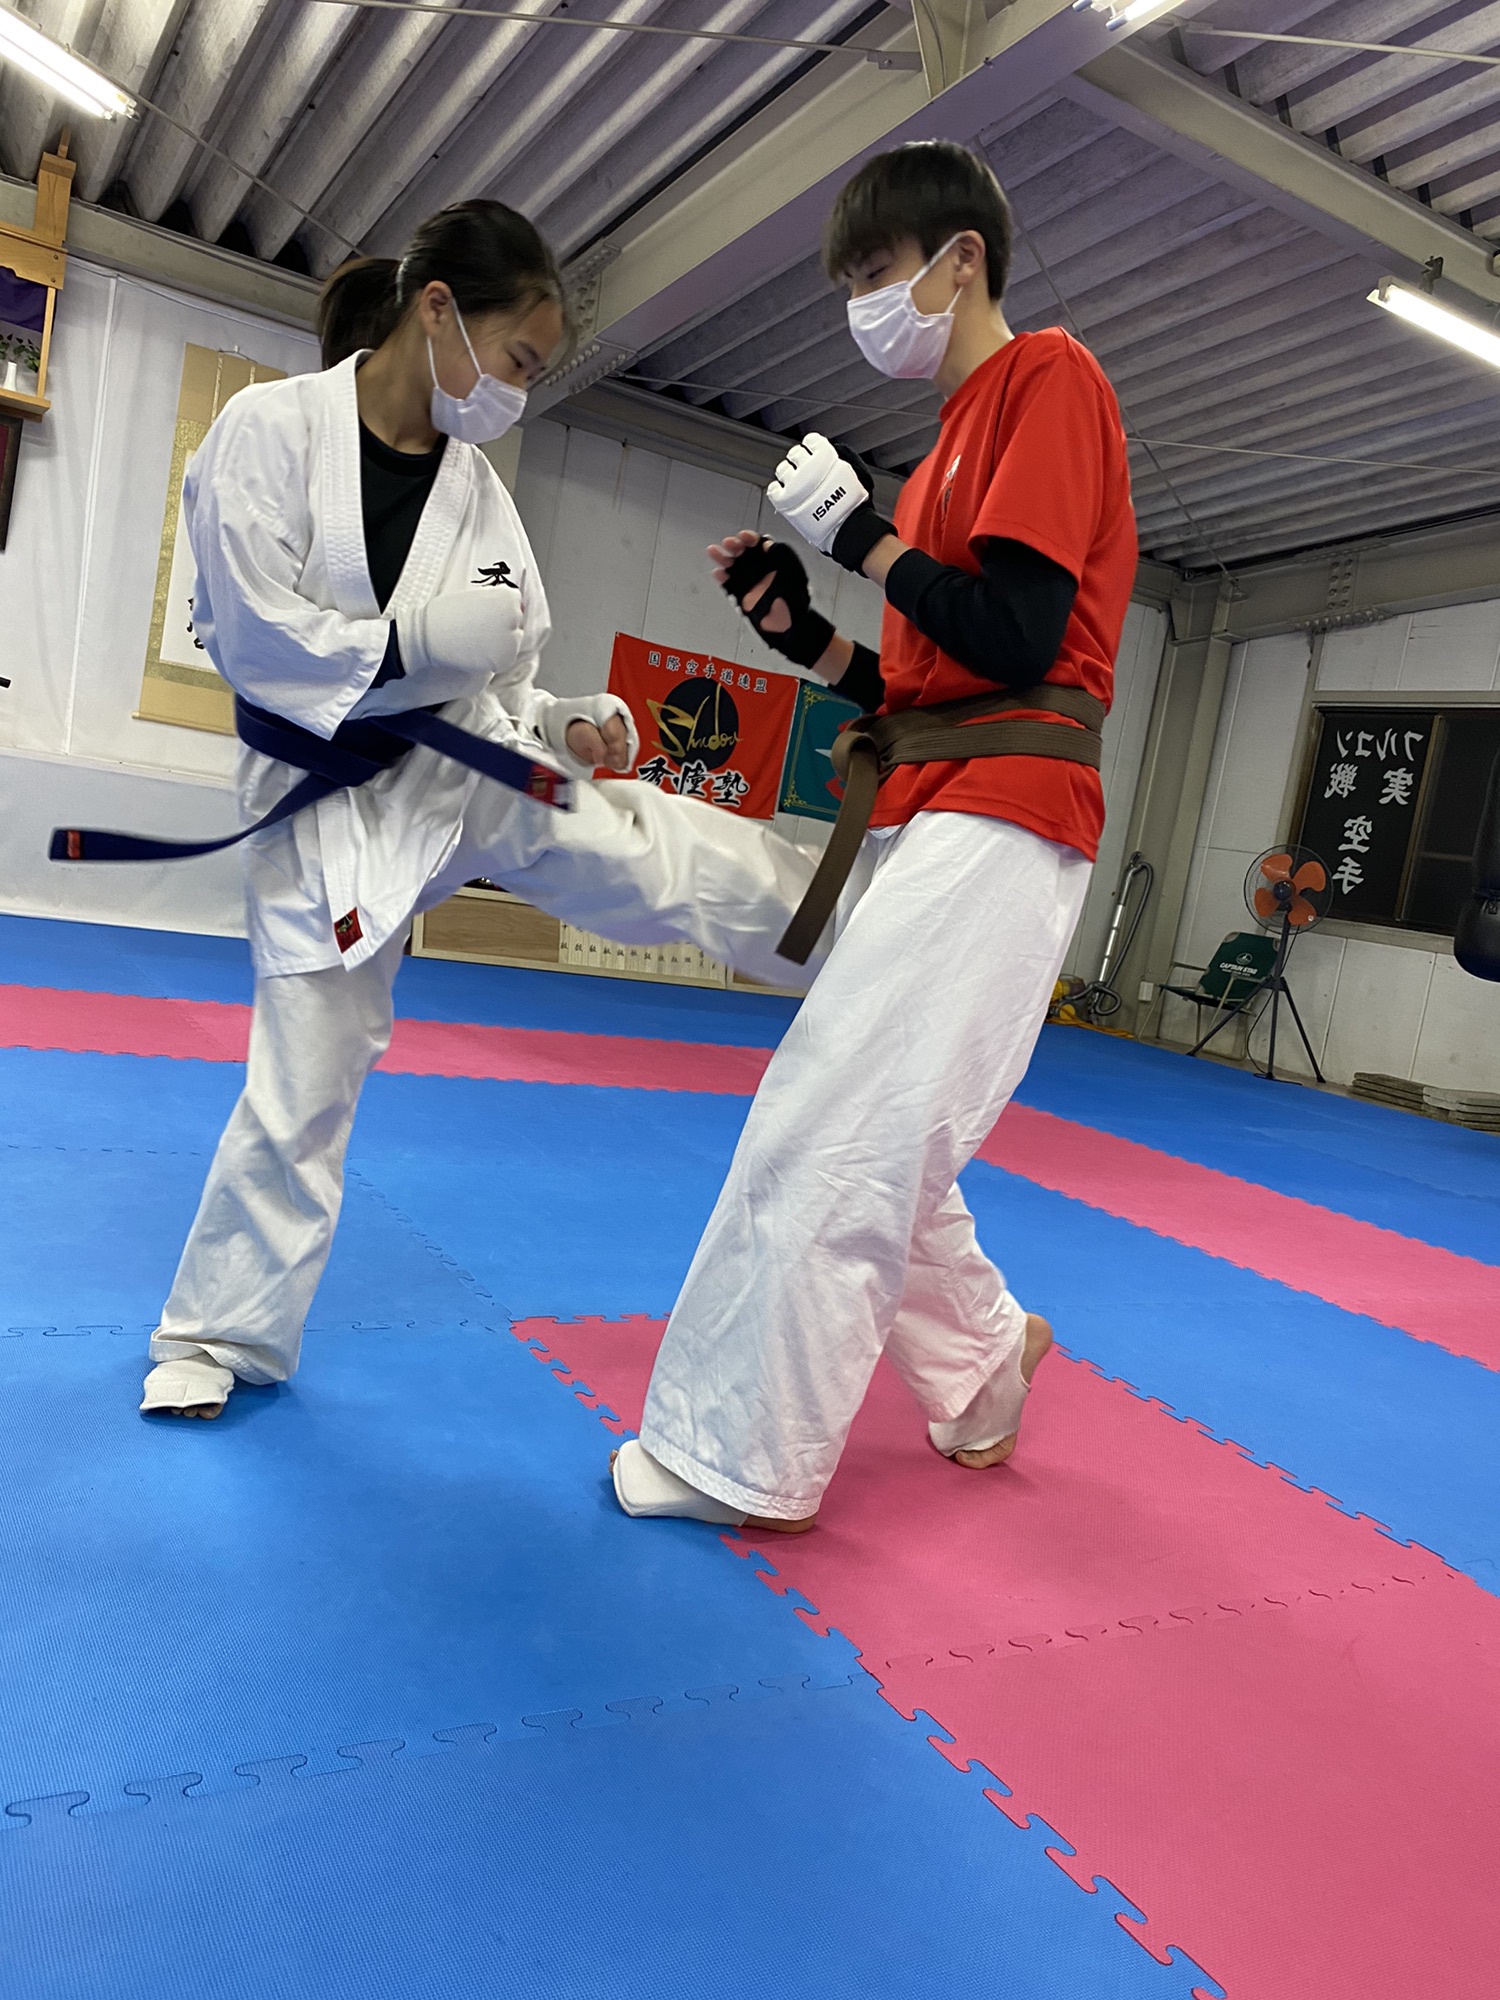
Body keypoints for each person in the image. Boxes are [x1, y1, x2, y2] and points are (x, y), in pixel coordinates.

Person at [139, 199, 821, 1420]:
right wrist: (409, 643)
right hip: (321, 808)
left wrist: (565, 723)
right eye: (518, 359)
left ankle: (836, 923)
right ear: (438, 307)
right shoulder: (267, 433)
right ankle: (215, 1335)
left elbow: (502, 681)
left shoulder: (481, 497)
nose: (518, 390)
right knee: (305, 1084)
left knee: (642, 840)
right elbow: (251, 639)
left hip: (467, 765)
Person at [612, 141, 1137, 1531]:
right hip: (927, 797)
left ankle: (737, 1457)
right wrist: (802, 627)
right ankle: (983, 1363)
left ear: (962, 259)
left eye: (878, 271)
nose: (863, 304)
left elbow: (1020, 635)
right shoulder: (947, 446)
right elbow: (915, 692)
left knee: (836, 1118)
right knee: (889, 1125)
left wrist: (862, 538)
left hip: (1007, 814)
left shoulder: (1050, 378)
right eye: (849, 280)